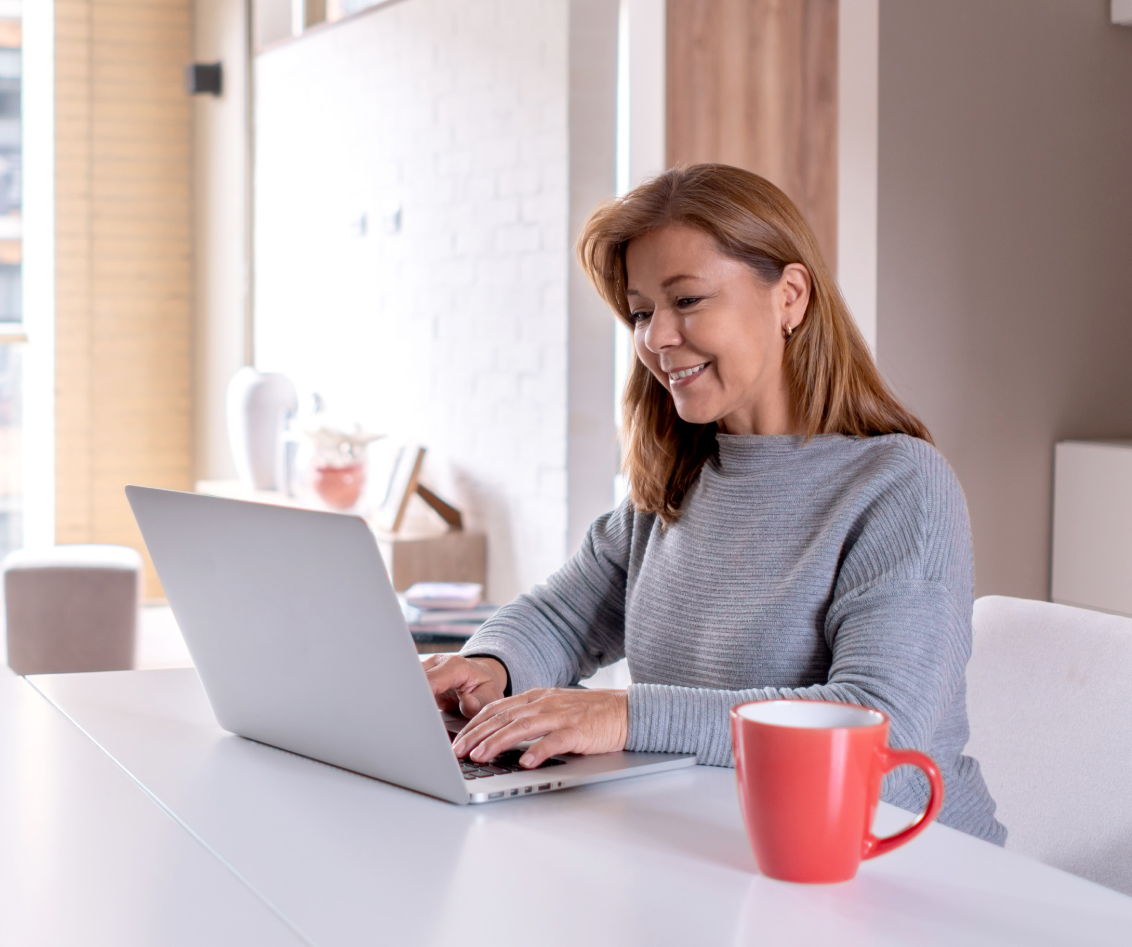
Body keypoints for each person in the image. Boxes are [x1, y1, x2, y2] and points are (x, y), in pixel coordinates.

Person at [424, 163, 1004, 843]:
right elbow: (561, 618)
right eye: (641, 312)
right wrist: (487, 667)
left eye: (688, 301)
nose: (656, 338)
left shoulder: (899, 486)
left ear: (789, 297)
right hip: (721, 844)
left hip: (900, 862)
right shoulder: (677, 480)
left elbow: (875, 720)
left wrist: (626, 715)